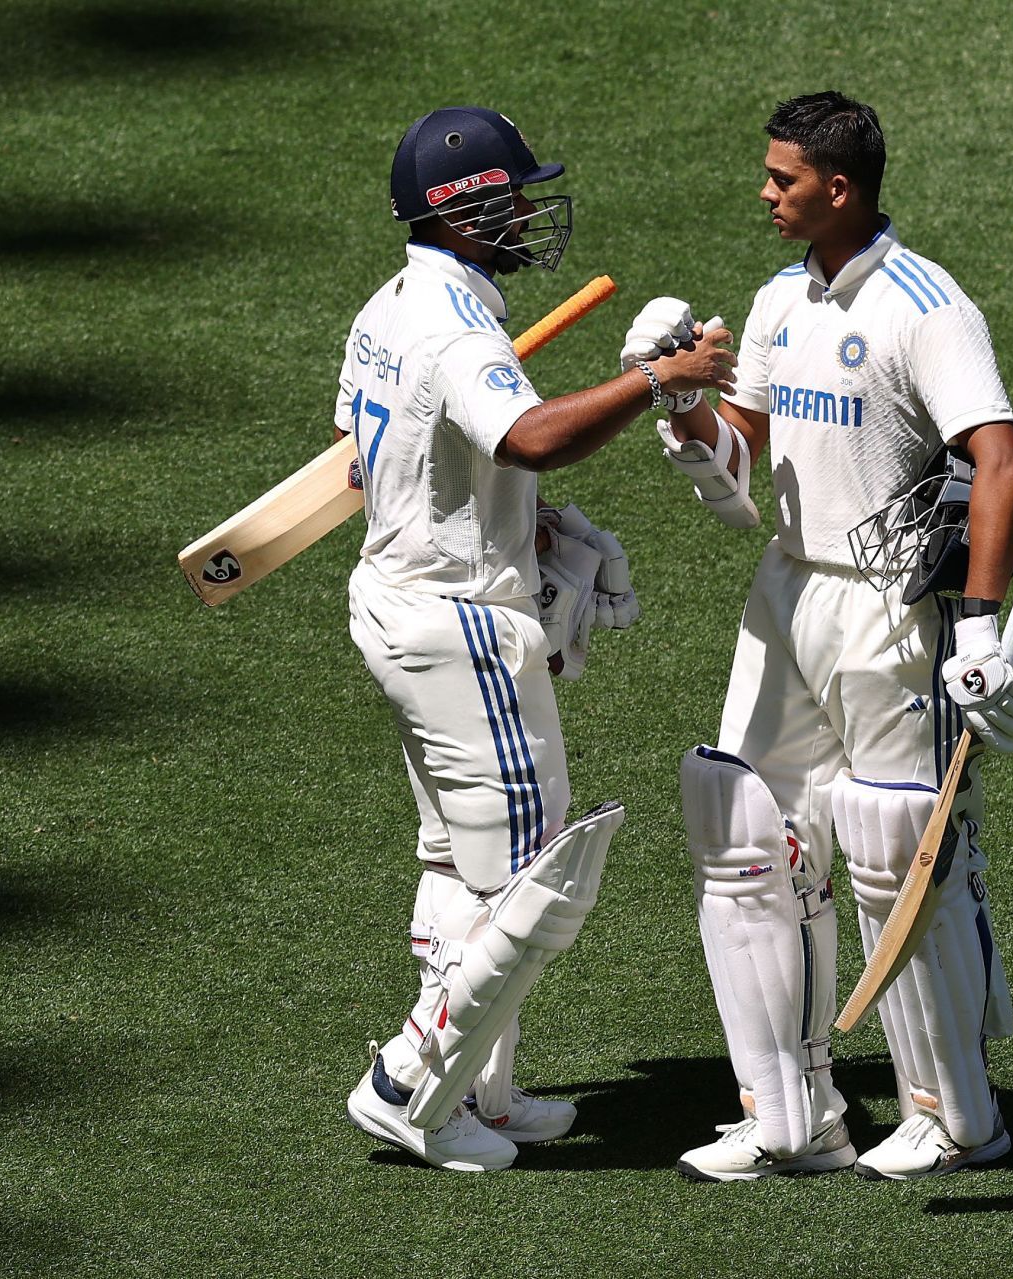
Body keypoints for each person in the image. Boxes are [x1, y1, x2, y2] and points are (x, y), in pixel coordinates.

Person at [627, 91, 1013, 1180]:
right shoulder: (776, 303)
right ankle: (790, 1114)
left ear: (840, 188)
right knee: (740, 829)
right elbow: (748, 453)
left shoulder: (926, 305)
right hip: (787, 589)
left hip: (889, 602)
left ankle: (957, 1117)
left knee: (895, 848)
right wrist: (682, 410)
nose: (765, 195)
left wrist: (982, 626)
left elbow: (1000, 460)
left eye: (783, 180)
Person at [338, 106, 736, 1172]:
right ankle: (411, 1082)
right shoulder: (458, 329)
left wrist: (518, 521)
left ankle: (483, 1094)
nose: (526, 210)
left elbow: (362, 455)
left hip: (393, 598)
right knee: (533, 872)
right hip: (460, 629)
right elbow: (531, 434)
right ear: (463, 209)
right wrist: (665, 380)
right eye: (510, 194)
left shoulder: (391, 307)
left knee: (459, 864)